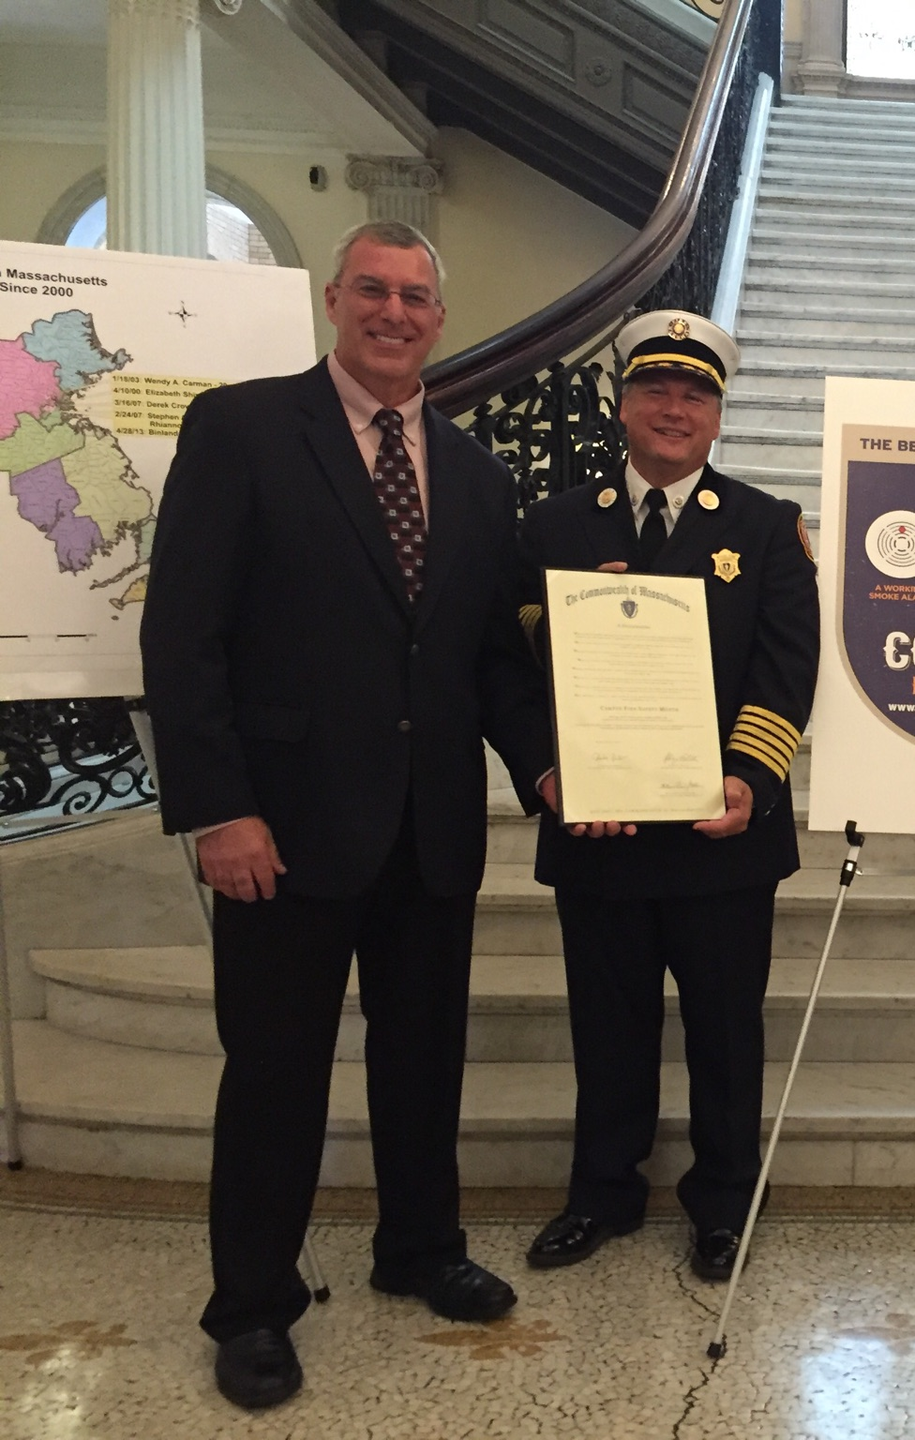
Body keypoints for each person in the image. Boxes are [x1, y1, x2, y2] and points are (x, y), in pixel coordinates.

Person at [141, 220, 557, 1410]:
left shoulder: (478, 474)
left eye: (416, 296)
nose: (394, 312)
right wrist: (218, 809)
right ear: (334, 299)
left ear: (439, 315)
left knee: (424, 1061)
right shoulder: (244, 429)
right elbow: (184, 636)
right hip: (282, 829)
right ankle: (253, 1305)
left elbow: (486, 664)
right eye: (372, 290)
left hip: (430, 830)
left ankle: (418, 1248)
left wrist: (543, 771)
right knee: (275, 1071)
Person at [516, 311, 819, 1284]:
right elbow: (513, 670)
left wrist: (750, 778)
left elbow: (787, 669)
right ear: (623, 404)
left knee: (727, 1032)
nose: (674, 408)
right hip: (597, 830)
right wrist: (550, 770)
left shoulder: (767, 529)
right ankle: (602, 1192)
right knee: (607, 1025)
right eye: (655, 390)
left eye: (695, 393)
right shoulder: (555, 524)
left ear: (719, 415)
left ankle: (723, 1203)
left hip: (719, 838)